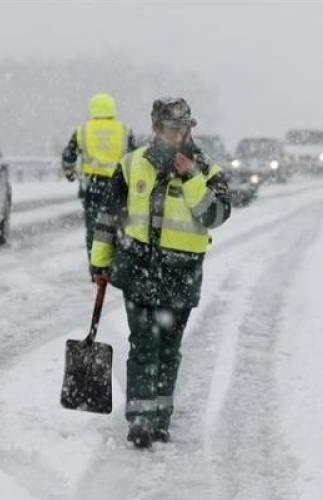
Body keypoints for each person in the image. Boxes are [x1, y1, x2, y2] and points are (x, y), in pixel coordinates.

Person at [89, 97, 232, 448]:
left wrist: (191, 178)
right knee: (143, 345)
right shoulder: (131, 164)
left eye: (185, 128)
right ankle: (139, 421)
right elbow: (108, 218)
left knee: (168, 349)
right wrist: (100, 262)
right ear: (156, 129)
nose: (180, 135)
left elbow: (216, 215)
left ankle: (161, 419)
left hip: (181, 273)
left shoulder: (207, 169)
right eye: (173, 129)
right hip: (138, 268)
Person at [61, 93, 135, 262]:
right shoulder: (124, 130)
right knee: (121, 226)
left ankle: (96, 267)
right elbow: (135, 157)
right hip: (119, 186)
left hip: (93, 187)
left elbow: (68, 155)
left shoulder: (83, 130)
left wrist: (70, 173)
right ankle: (119, 263)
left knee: (95, 229)